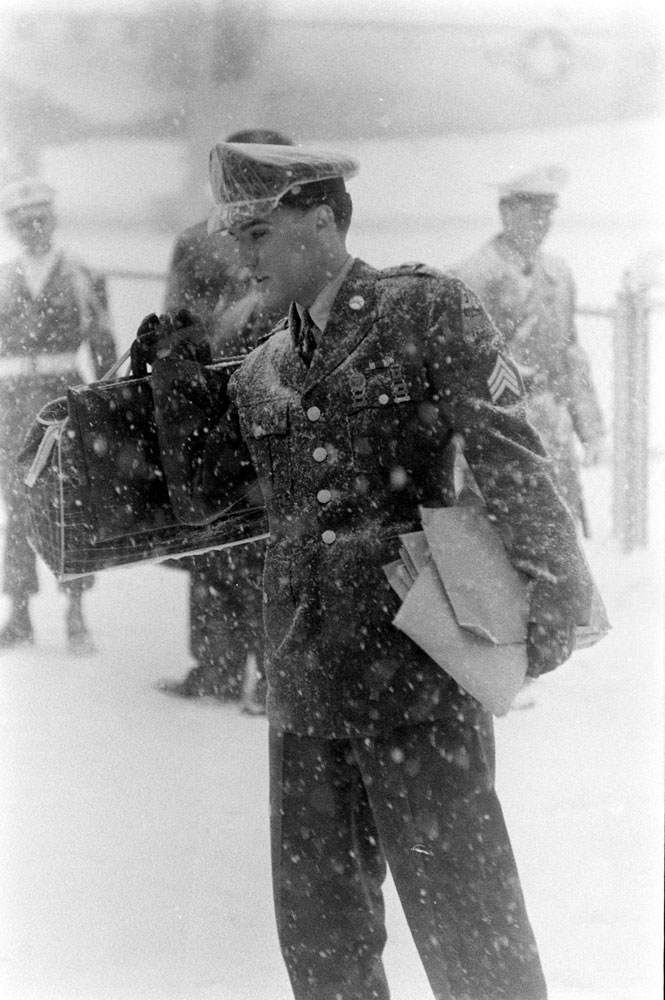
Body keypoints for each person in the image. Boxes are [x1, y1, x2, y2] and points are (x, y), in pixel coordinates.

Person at [137, 143, 595, 1000]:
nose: (242, 256)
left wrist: (553, 597)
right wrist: (171, 392)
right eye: (236, 236)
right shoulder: (263, 362)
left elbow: (508, 455)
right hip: (305, 687)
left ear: (322, 220)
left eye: (259, 233)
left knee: (468, 925)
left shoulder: (420, 309)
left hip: (414, 673)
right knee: (321, 939)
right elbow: (214, 505)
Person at [158, 128, 292, 710]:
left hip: (235, 407)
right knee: (244, 543)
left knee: (229, 539)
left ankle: (232, 669)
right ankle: (249, 671)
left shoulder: (202, 240)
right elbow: (178, 331)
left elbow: (176, 335)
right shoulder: (286, 237)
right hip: (251, 404)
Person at [452, 165, 605, 537]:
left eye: (548, 213)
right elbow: (456, 373)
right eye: (533, 212)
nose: (543, 223)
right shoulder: (470, 277)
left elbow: (571, 356)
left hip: (553, 434)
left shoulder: (558, 274)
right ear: (506, 212)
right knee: (501, 554)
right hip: (499, 439)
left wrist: (591, 430)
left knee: (560, 548)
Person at [0, 177, 116, 653]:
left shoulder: (80, 274)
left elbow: (105, 348)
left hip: (62, 401)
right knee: (17, 504)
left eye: (41, 219)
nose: (34, 229)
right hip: (11, 404)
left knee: (69, 504)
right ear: (11, 226)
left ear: (53, 220)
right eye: (23, 221)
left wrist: (108, 408)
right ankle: (20, 611)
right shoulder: (4, 277)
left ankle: (75, 611)